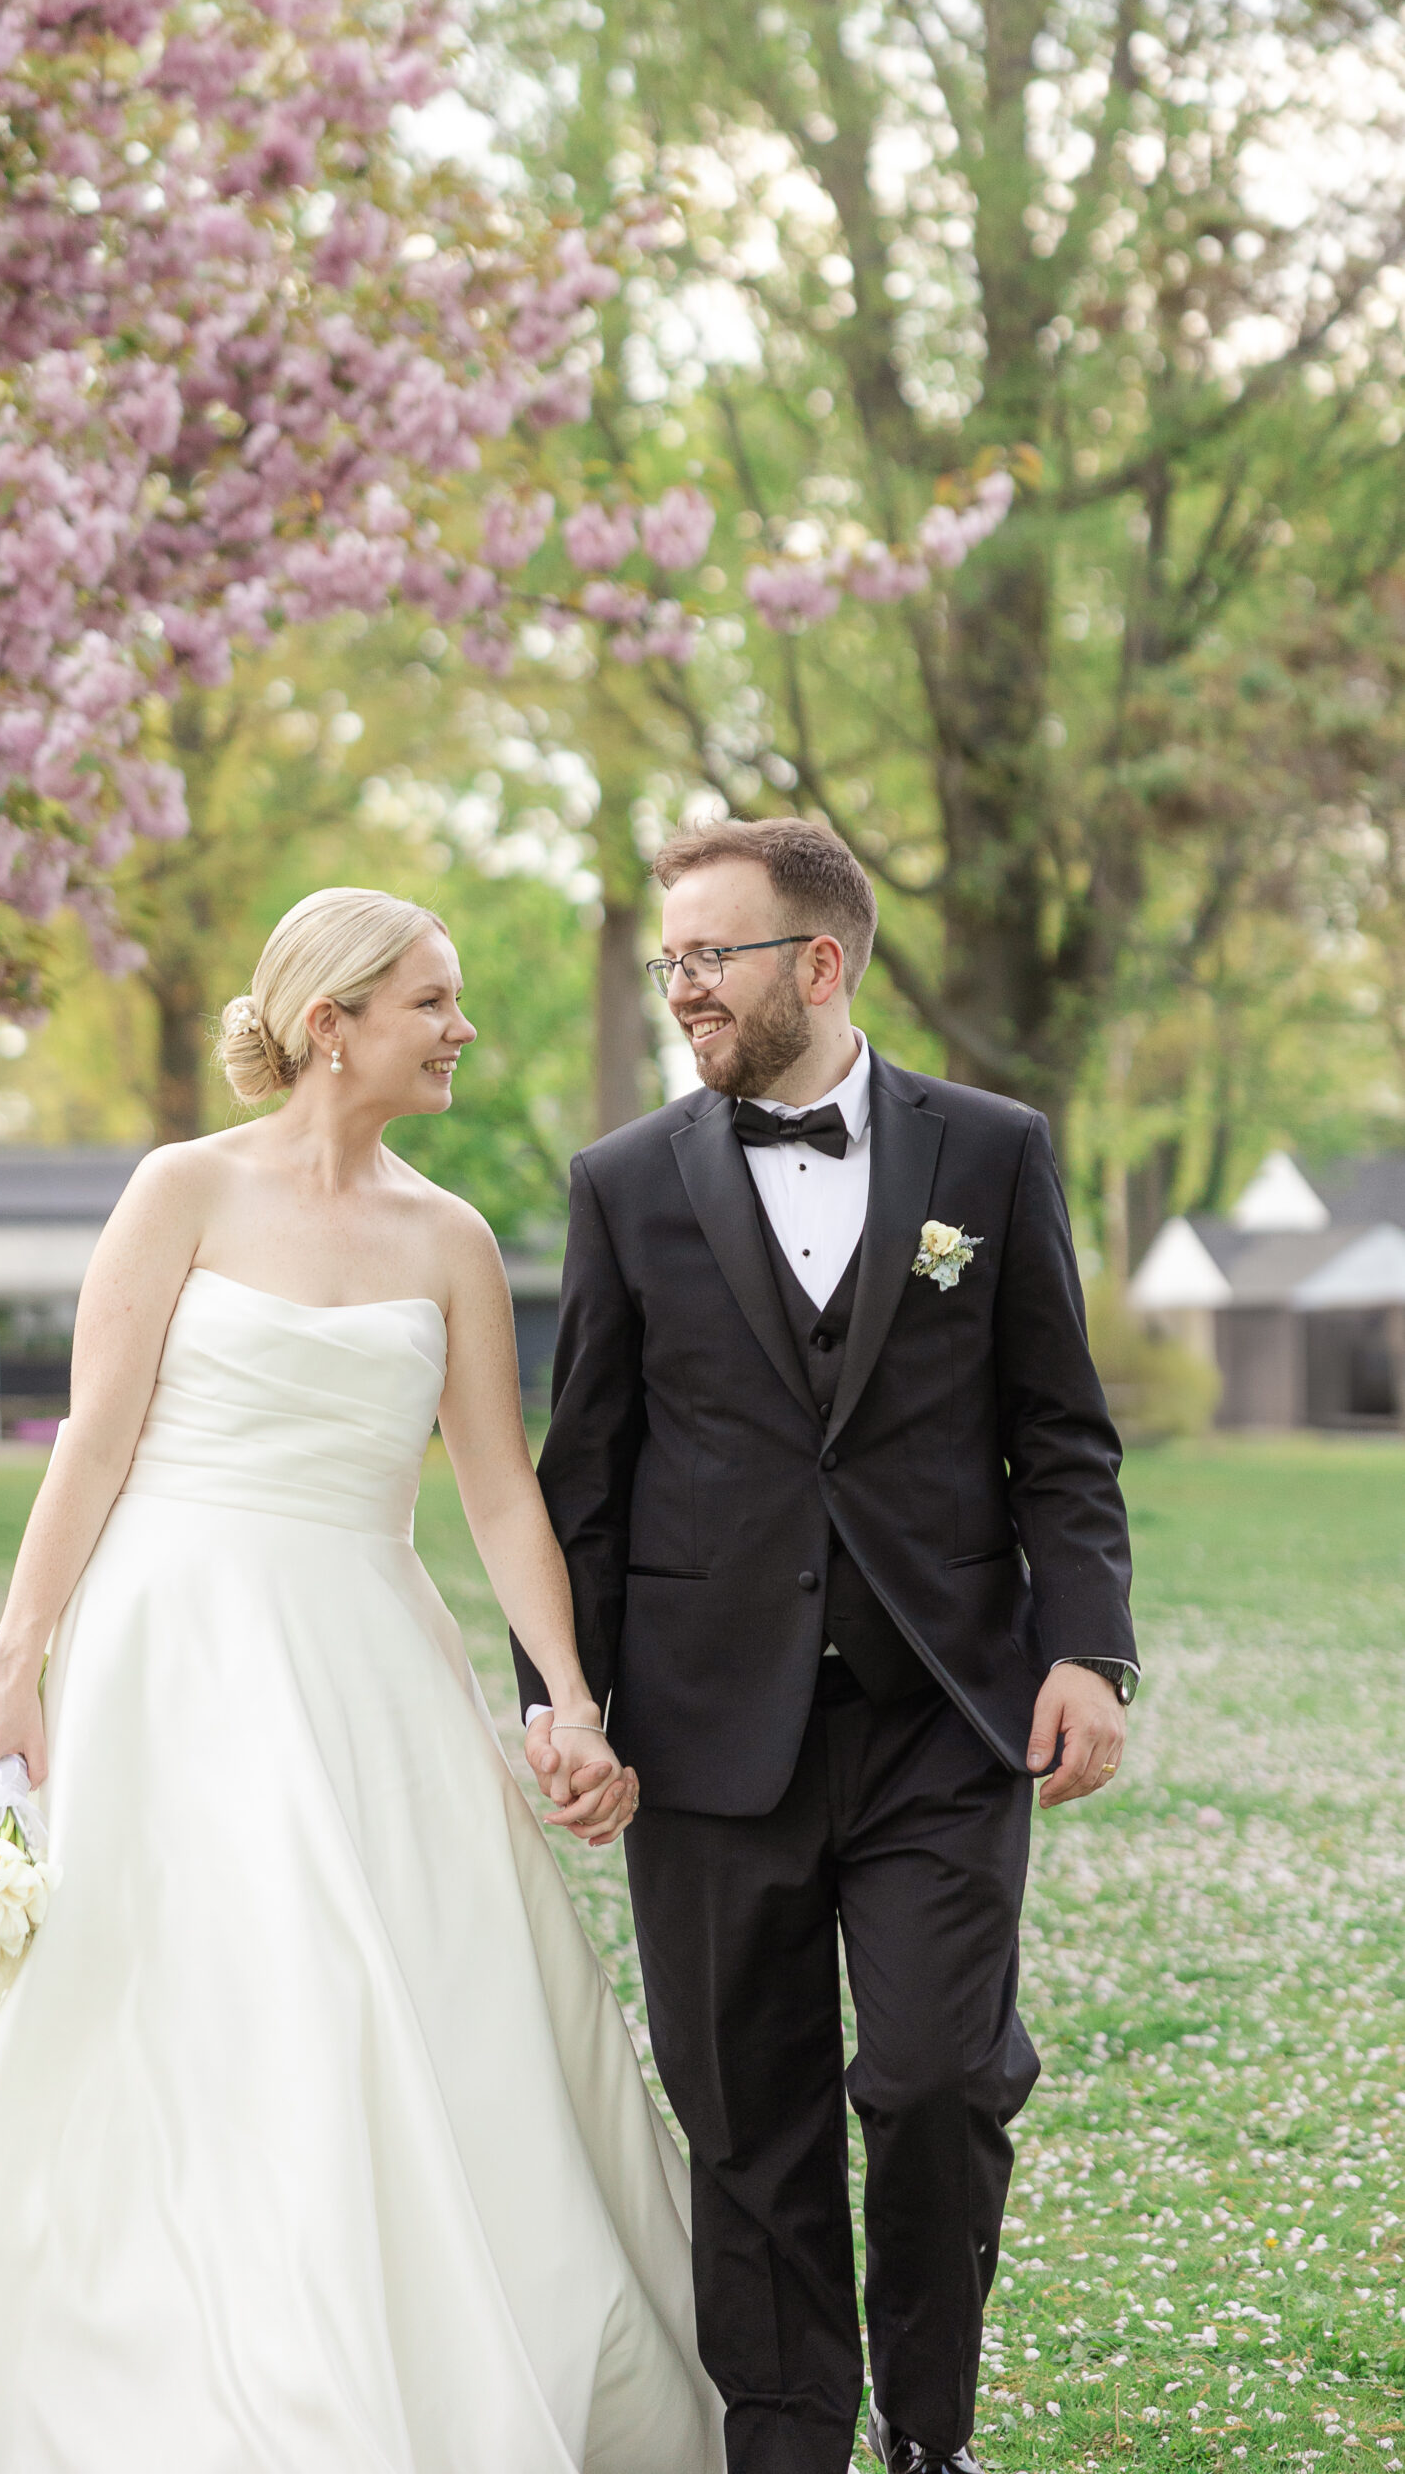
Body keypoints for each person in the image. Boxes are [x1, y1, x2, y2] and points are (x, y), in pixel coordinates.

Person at [0, 887, 724, 2474]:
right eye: (432, 1001)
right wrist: (13, 1670)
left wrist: (567, 1701)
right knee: (171, 1991)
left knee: (373, 1986)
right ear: (329, 1023)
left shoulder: (452, 1238)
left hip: (364, 1652)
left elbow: (501, 1493)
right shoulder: (182, 1191)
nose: (463, 1028)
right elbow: (92, 1439)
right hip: (170, 1645)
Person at [514, 820, 1137, 2474]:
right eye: (669, 961)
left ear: (820, 962)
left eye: (709, 957)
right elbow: (585, 1478)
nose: (682, 989)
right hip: (707, 1726)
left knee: (939, 2079)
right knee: (748, 2115)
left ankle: (931, 2439)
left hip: (945, 1711)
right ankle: (787, 2442)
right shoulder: (622, 1182)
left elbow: (1061, 1432)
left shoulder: (990, 1153)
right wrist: (566, 1702)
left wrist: (1090, 1652)